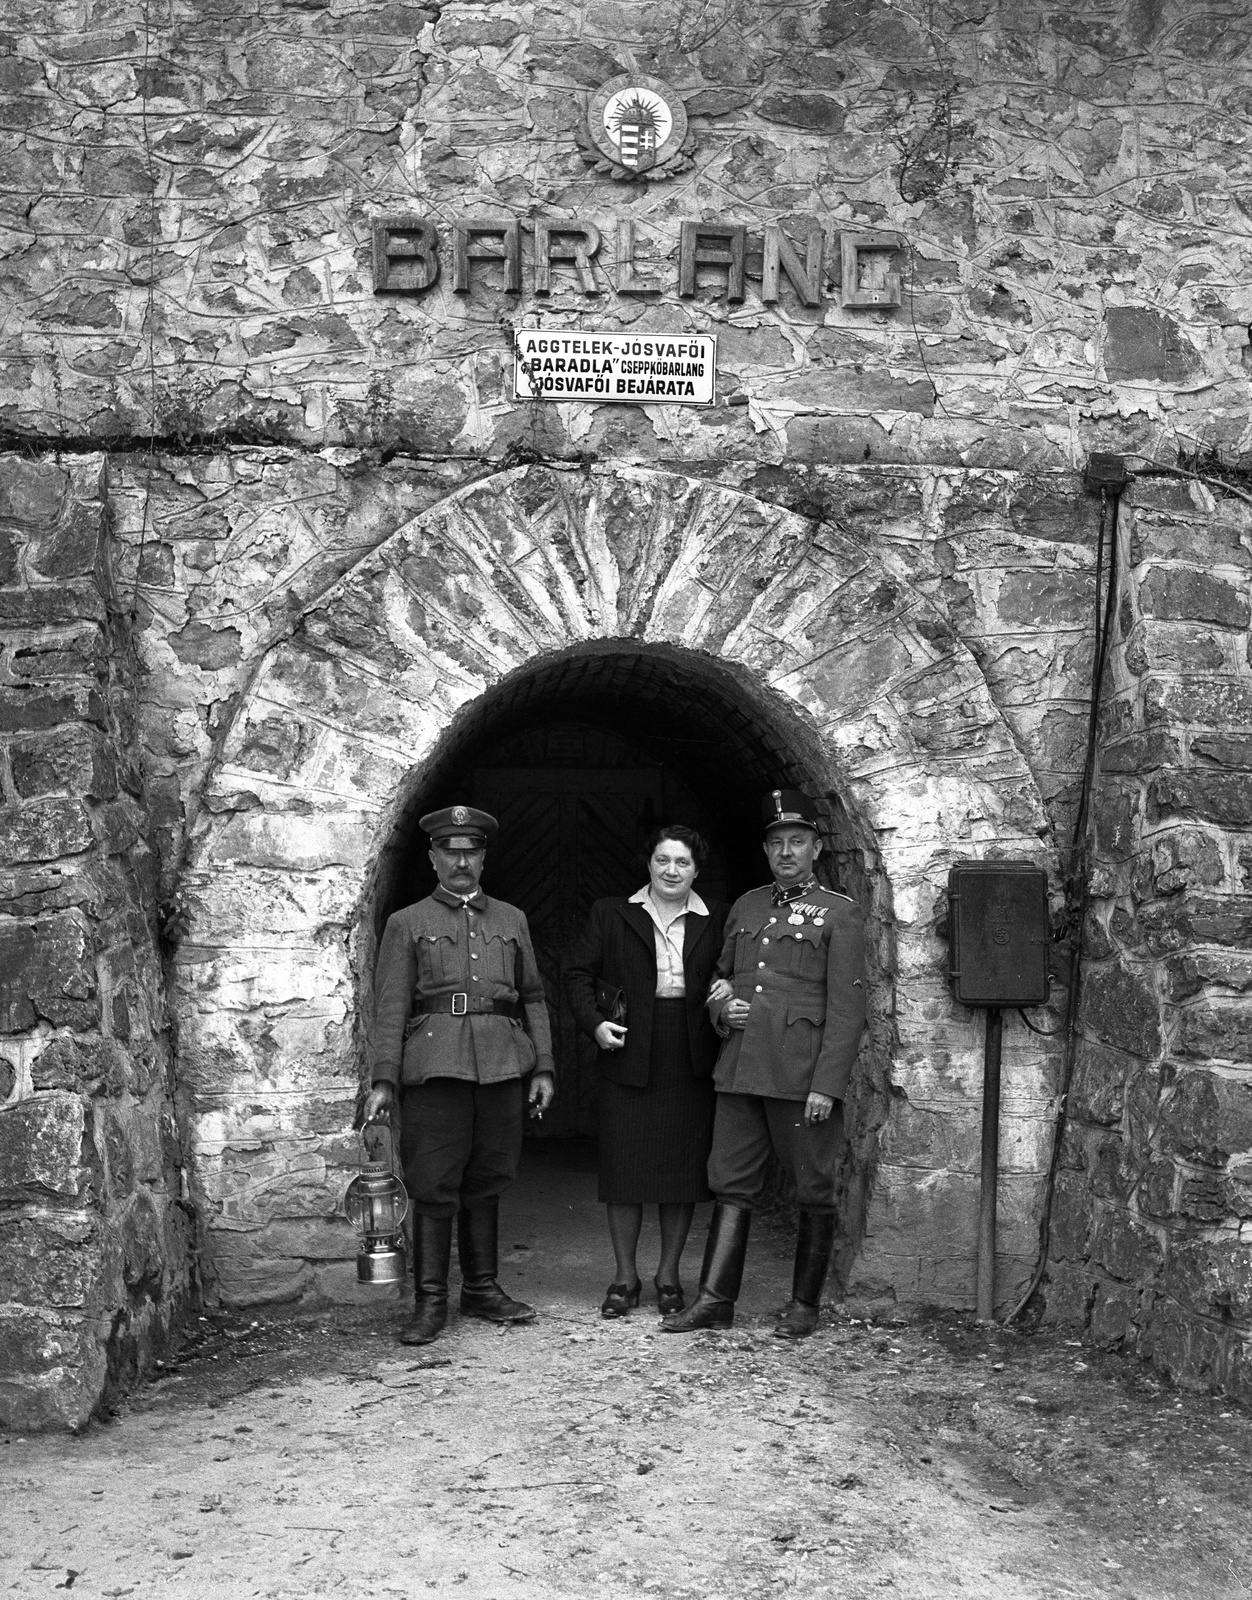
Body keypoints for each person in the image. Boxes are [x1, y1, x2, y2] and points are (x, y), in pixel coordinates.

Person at [661, 789, 867, 1340]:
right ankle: (714, 1301)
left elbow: (848, 1011)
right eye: (776, 843)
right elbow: (718, 978)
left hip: (801, 1076)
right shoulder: (748, 907)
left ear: (816, 848)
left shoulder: (840, 915)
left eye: (796, 842)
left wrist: (827, 1085)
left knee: (813, 1186)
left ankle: (804, 1305)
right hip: (741, 1068)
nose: (786, 852)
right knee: (730, 1181)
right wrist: (722, 1007)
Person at [363, 805, 556, 1346]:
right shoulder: (407, 923)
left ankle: (483, 1288)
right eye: (451, 851)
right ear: (432, 858)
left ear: (484, 857)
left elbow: (534, 997)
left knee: (489, 1178)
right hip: (434, 1066)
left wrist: (543, 1065)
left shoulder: (512, 919)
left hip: (502, 1065)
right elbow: (391, 1006)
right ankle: (430, 1302)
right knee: (434, 1184)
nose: (462, 861)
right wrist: (385, 1078)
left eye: (471, 851)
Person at [566, 825, 730, 1317]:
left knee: (680, 1171)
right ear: (649, 864)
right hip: (627, 1044)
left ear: (696, 869)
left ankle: (668, 1275)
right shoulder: (612, 913)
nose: (671, 870)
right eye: (663, 860)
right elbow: (576, 973)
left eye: (682, 862)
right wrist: (594, 1025)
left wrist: (727, 988)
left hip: (690, 1049)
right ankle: (624, 1278)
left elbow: (736, 968)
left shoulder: (716, 917)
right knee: (625, 1166)